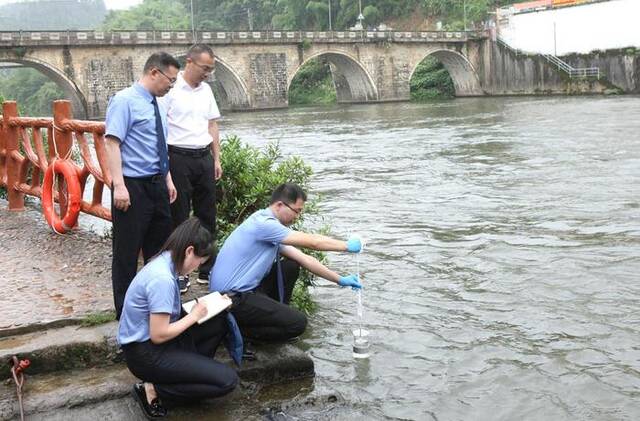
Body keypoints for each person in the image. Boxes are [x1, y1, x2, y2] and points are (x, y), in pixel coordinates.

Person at [209, 183, 362, 344]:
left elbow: (305, 259)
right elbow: (313, 242)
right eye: (297, 211)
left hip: (244, 291)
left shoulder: (269, 227)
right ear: (280, 205)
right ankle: (231, 330)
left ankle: (275, 316)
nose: (297, 216)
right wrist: (346, 246)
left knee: (291, 266)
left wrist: (340, 279)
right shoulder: (264, 225)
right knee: (297, 324)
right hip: (229, 299)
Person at [118, 217, 238, 418]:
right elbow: (159, 334)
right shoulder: (162, 279)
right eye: (200, 262)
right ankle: (155, 389)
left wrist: (214, 304)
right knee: (227, 380)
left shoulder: (165, 261)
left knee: (218, 320)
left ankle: (189, 372)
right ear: (189, 251)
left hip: (155, 344)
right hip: (146, 353)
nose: (197, 268)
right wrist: (194, 316)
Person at [105, 52, 179, 320]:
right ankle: (125, 313)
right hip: (132, 186)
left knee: (160, 251)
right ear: (154, 73)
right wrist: (119, 185)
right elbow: (112, 142)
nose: (171, 85)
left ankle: (157, 307)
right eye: (170, 80)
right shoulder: (124, 101)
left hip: (157, 185)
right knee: (126, 251)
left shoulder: (158, 104)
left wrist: (168, 179)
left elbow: (160, 146)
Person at [159, 44, 222, 294]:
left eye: (211, 69)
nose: (207, 73)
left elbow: (213, 125)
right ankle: (180, 271)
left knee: (208, 215)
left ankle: (207, 269)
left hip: (203, 157)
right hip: (178, 157)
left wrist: (216, 159)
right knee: (180, 216)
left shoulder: (206, 90)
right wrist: (166, 170)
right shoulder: (170, 91)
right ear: (189, 62)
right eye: (205, 68)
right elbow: (161, 131)